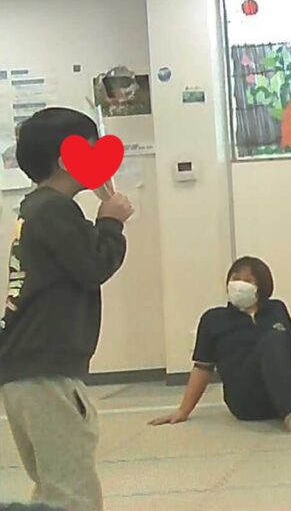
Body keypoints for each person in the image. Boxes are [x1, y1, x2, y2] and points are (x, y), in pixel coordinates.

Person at [0, 108, 133, 511]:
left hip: (26, 366)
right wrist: (110, 222)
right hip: (47, 368)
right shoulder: (55, 210)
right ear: (66, 159)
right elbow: (93, 266)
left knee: (54, 486)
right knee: (72, 494)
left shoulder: (35, 209)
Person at [149, 256, 291, 433]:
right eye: (236, 278)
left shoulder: (276, 309)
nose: (240, 284)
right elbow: (202, 367)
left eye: (248, 280)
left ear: (261, 287)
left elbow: (290, 353)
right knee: (273, 339)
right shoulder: (213, 319)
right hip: (246, 397)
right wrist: (183, 410)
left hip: (277, 390)